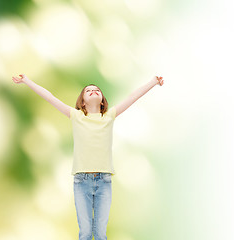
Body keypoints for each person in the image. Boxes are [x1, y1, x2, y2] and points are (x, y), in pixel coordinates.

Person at [12, 74, 164, 240]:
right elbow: (50, 97)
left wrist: (153, 82)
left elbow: (132, 97)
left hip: (104, 181)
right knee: (85, 233)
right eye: (88, 90)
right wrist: (26, 81)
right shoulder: (76, 116)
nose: (93, 90)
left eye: (96, 90)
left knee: (100, 234)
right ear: (82, 102)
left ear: (102, 101)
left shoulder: (109, 116)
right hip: (82, 181)